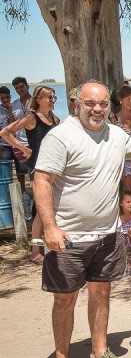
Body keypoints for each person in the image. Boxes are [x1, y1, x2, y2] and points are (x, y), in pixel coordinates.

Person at [33, 80, 131, 358]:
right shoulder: (60, 137)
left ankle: (99, 352)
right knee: (65, 299)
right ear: (76, 104)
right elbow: (41, 181)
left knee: (101, 293)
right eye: (90, 103)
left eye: (103, 103)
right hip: (69, 236)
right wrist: (49, 227)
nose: (97, 109)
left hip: (107, 234)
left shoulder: (118, 136)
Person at [1, 85, 61, 264]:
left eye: (54, 97)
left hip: (55, 169)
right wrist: (23, 148)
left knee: (53, 209)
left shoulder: (55, 119)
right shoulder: (31, 118)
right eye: (49, 97)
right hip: (38, 168)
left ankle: (52, 246)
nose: (52, 101)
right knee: (41, 212)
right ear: (39, 100)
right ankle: (35, 251)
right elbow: (5, 132)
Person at [10, 76, 32, 187]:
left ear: (27, 86)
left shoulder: (36, 102)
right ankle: (24, 193)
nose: (20, 90)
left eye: (22, 86)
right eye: (17, 88)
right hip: (19, 142)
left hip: (34, 141)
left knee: (35, 170)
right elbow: (11, 126)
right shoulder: (13, 105)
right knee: (21, 170)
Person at [0, 86, 13, 160]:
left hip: (18, 143)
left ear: (10, 97)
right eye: (2, 98)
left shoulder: (15, 108)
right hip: (3, 145)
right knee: (5, 170)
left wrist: (10, 111)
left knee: (22, 171)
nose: (5, 100)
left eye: (7, 97)